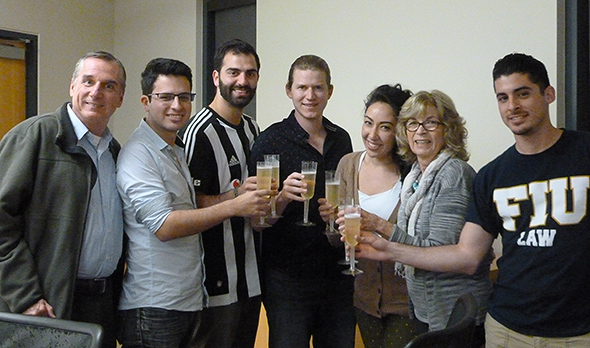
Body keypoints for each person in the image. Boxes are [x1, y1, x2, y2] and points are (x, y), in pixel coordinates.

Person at [356, 53, 590, 347]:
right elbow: (468, 255)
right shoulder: (492, 175)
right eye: (503, 98)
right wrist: (387, 241)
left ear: (548, 95)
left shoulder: (583, 153)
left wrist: (389, 247)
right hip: (507, 326)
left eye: (523, 94)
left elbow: (462, 262)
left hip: (578, 330)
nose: (513, 106)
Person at [116, 58, 271, 348]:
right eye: (166, 97)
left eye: (184, 97)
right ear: (145, 101)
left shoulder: (174, 149)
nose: (177, 105)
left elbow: (190, 209)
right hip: (154, 307)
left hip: (188, 301)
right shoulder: (138, 154)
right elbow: (165, 225)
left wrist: (238, 195)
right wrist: (235, 207)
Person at [0, 51, 126, 348]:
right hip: (45, 304)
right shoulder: (37, 136)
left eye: (109, 85)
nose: (97, 92)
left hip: (101, 304)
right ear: (73, 87)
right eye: (88, 81)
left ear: (120, 97)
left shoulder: (115, 153)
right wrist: (26, 296)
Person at [249, 54, 355, 348]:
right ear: (289, 90)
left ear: (329, 92)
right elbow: (257, 223)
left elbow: (349, 199)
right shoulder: (270, 142)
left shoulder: (341, 139)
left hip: (337, 273)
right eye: (302, 88)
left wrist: (338, 214)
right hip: (288, 279)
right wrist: (282, 197)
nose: (310, 96)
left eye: (318, 88)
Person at [318, 84, 421, 348]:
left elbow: (422, 242)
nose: (372, 134)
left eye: (385, 127)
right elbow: (336, 241)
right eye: (368, 123)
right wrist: (330, 221)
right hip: (364, 299)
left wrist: (378, 224)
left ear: (399, 131)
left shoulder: (415, 174)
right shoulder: (348, 165)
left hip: (407, 300)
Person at [178, 39, 264, 348]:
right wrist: (236, 200)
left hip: (251, 279)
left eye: (250, 73)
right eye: (234, 72)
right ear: (216, 77)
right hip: (214, 282)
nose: (242, 81)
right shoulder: (197, 132)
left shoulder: (255, 130)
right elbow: (190, 207)